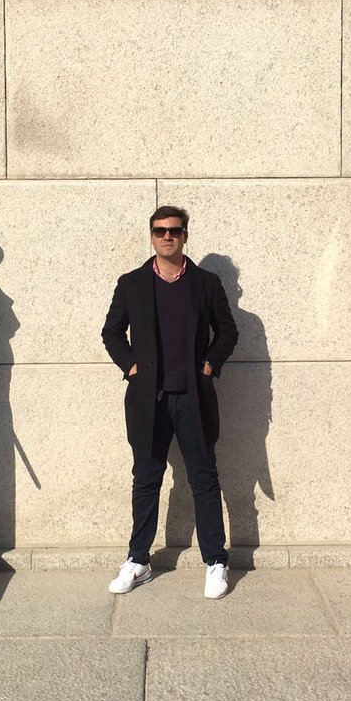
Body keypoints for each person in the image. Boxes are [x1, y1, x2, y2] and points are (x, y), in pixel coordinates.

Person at [101, 206, 239, 600]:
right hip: (149, 401)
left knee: (204, 479)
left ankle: (216, 560)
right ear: (151, 236)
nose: (167, 237)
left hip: (193, 398)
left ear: (185, 236)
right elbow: (111, 332)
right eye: (160, 231)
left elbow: (228, 331)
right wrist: (130, 367)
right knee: (146, 480)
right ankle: (138, 561)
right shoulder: (131, 284)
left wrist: (210, 365)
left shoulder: (206, 284)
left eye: (174, 231)